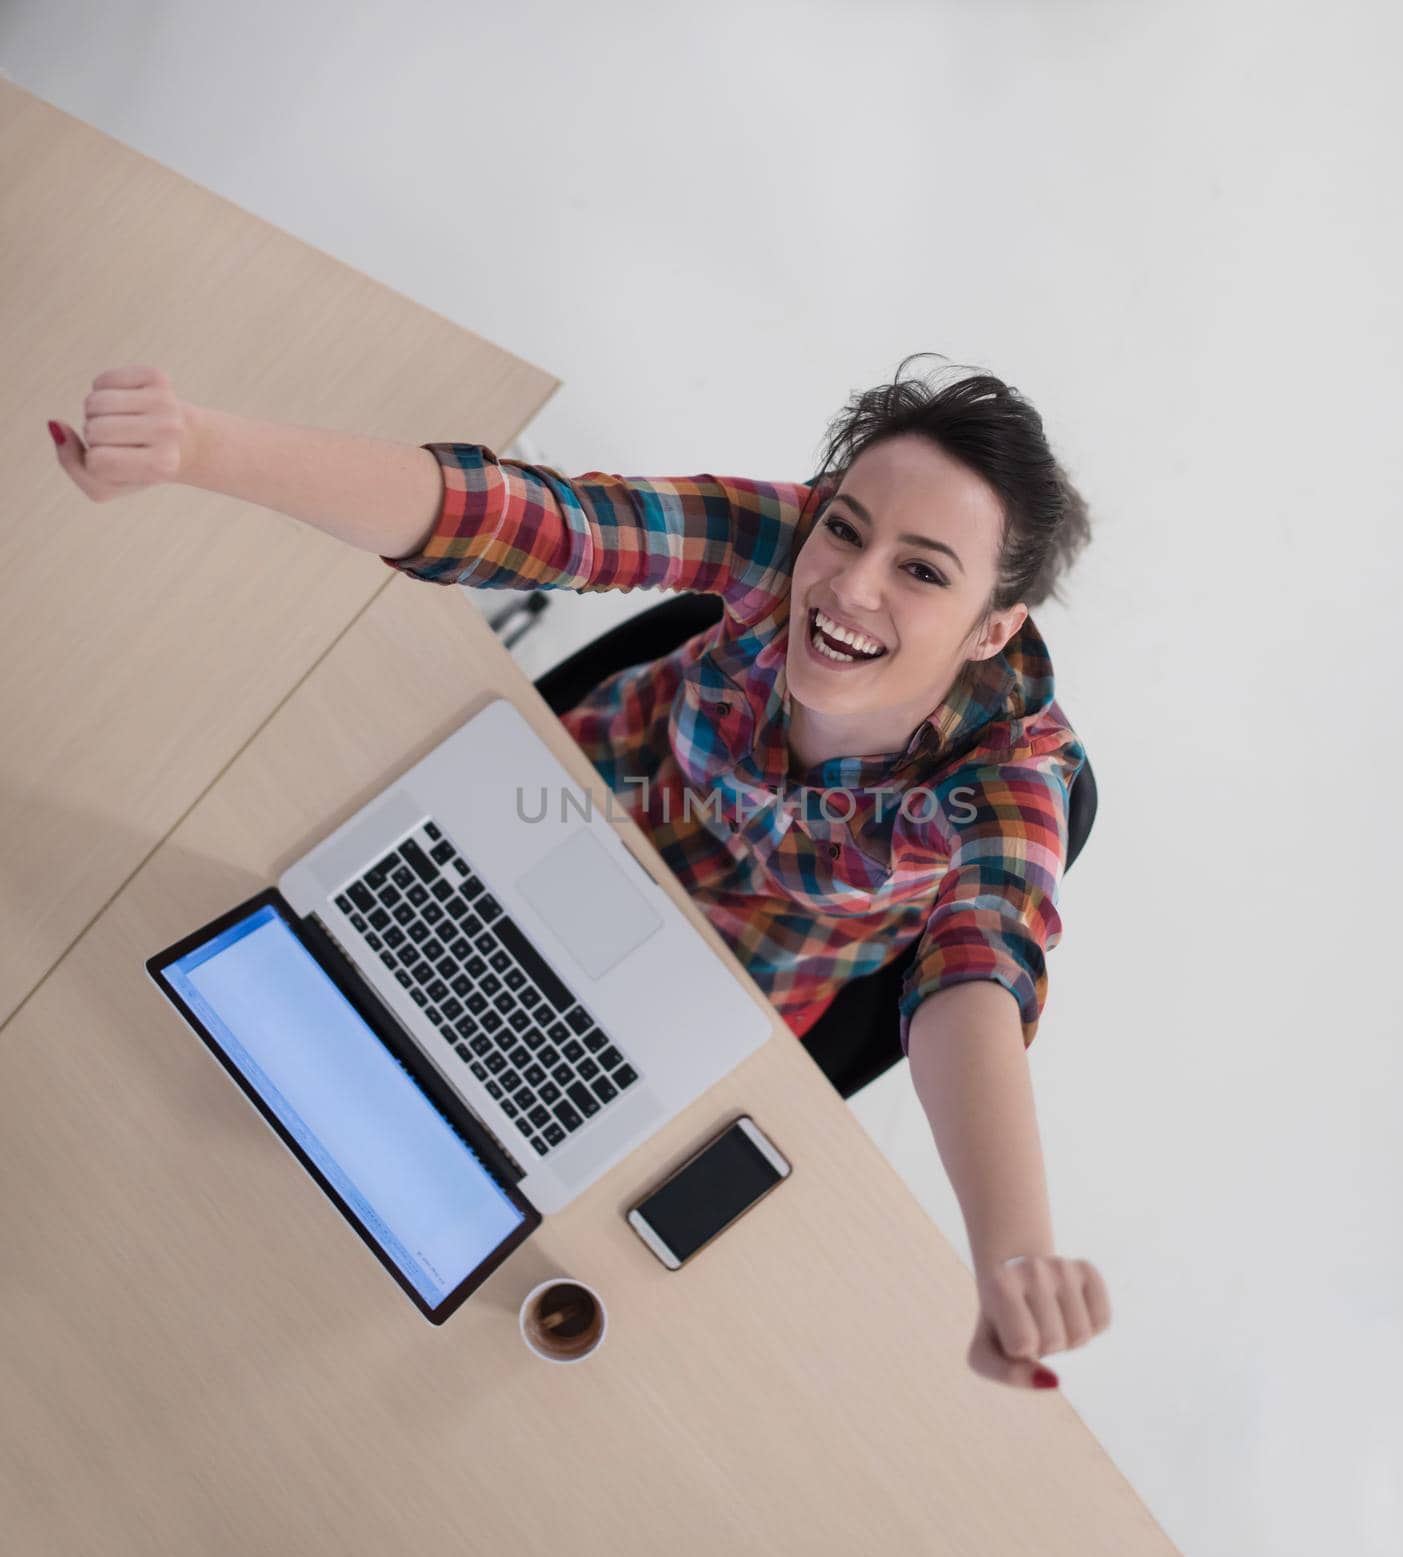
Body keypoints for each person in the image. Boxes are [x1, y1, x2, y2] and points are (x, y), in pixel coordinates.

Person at [49, 350, 1112, 1387]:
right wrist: (201, 445)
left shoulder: (1013, 775)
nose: (849, 585)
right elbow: (530, 519)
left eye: (924, 570)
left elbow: (976, 977)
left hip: (701, 989)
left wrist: (1011, 1254)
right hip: (540, 820)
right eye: (846, 527)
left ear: (994, 628)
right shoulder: (782, 543)